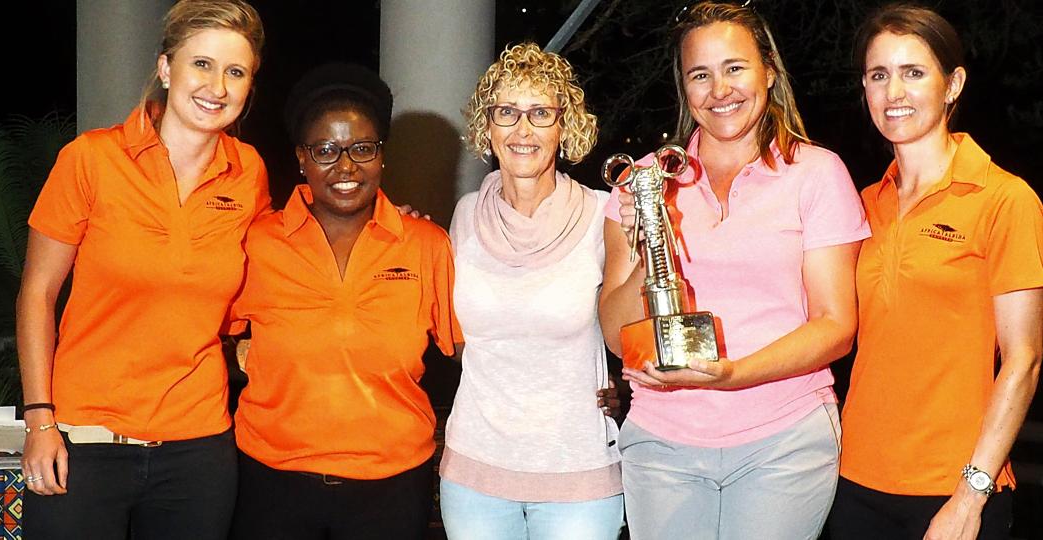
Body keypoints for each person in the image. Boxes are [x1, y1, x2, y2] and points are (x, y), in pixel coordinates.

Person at [599, 2, 870, 539]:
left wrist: (734, 374)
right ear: (684, 85)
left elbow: (835, 325)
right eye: (700, 74)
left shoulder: (816, 173)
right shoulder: (646, 179)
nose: (719, 89)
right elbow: (615, 333)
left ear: (769, 70)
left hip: (783, 437)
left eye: (735, 67)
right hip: (661, 439)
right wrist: (651, 235)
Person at [15, 1, 267, 538]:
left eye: (235, 71)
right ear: (165, 68)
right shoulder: (91, 159)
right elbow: (37, 292)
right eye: (201, 64)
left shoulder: (248, 174)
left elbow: (283, 259)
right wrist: (40, 421)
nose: (216, 87)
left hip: (198, 452)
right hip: (81, 441)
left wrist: (389, 220)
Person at [829, 6, 1043, 540]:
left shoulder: (1004, 199)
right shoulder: (859, 206)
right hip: (851, 482)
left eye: (914, 72)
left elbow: (1024, 360)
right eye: (879, 75)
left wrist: (971, 495)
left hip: (955, 489)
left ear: (953, 84)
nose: (894, 91)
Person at [226, 63, 461, 540]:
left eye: (362, 148)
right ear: (301, 158)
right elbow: (210, 340)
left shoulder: (427, 243)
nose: (346, 166)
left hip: (392, 487)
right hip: (271, 481)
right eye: (326, 150)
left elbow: (472, 352)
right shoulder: (257, 242)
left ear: (381, 156)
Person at [438, 43, 624, 540]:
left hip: (579, 475)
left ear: (566, 127)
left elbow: (632, 331)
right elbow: (453, 335)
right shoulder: (463, 215)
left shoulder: (605, 215)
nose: (523, 130)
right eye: (507, 112)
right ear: (487, 126)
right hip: (474, 472)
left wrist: (626, 389)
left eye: (541, 113)